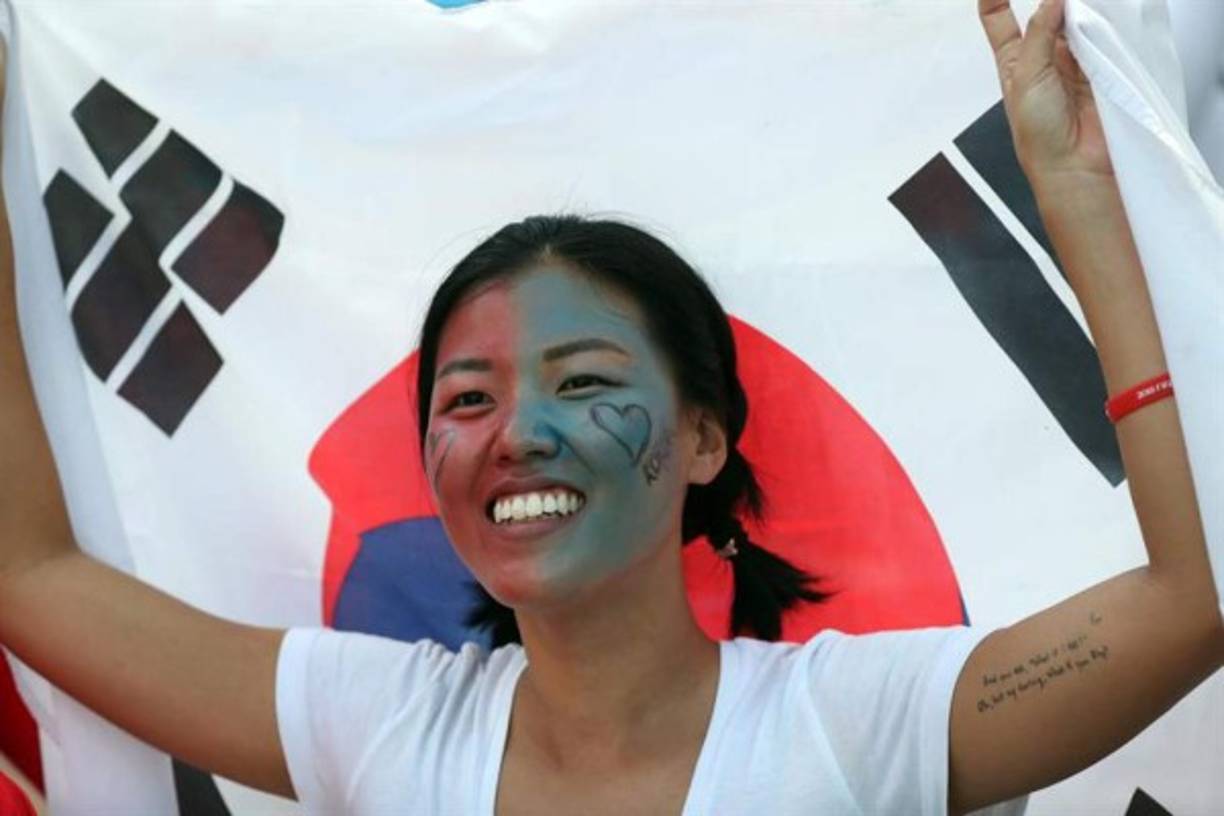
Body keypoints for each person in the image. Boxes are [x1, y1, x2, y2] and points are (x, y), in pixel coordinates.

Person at [0, 0, 1220, 813]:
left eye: (584, 382)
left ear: (702, 437)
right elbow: (30, 578)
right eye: (467, 396)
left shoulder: (856, 722)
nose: (517, 429)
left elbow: (1195, 600)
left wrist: (1077, 191)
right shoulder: (377, 727)